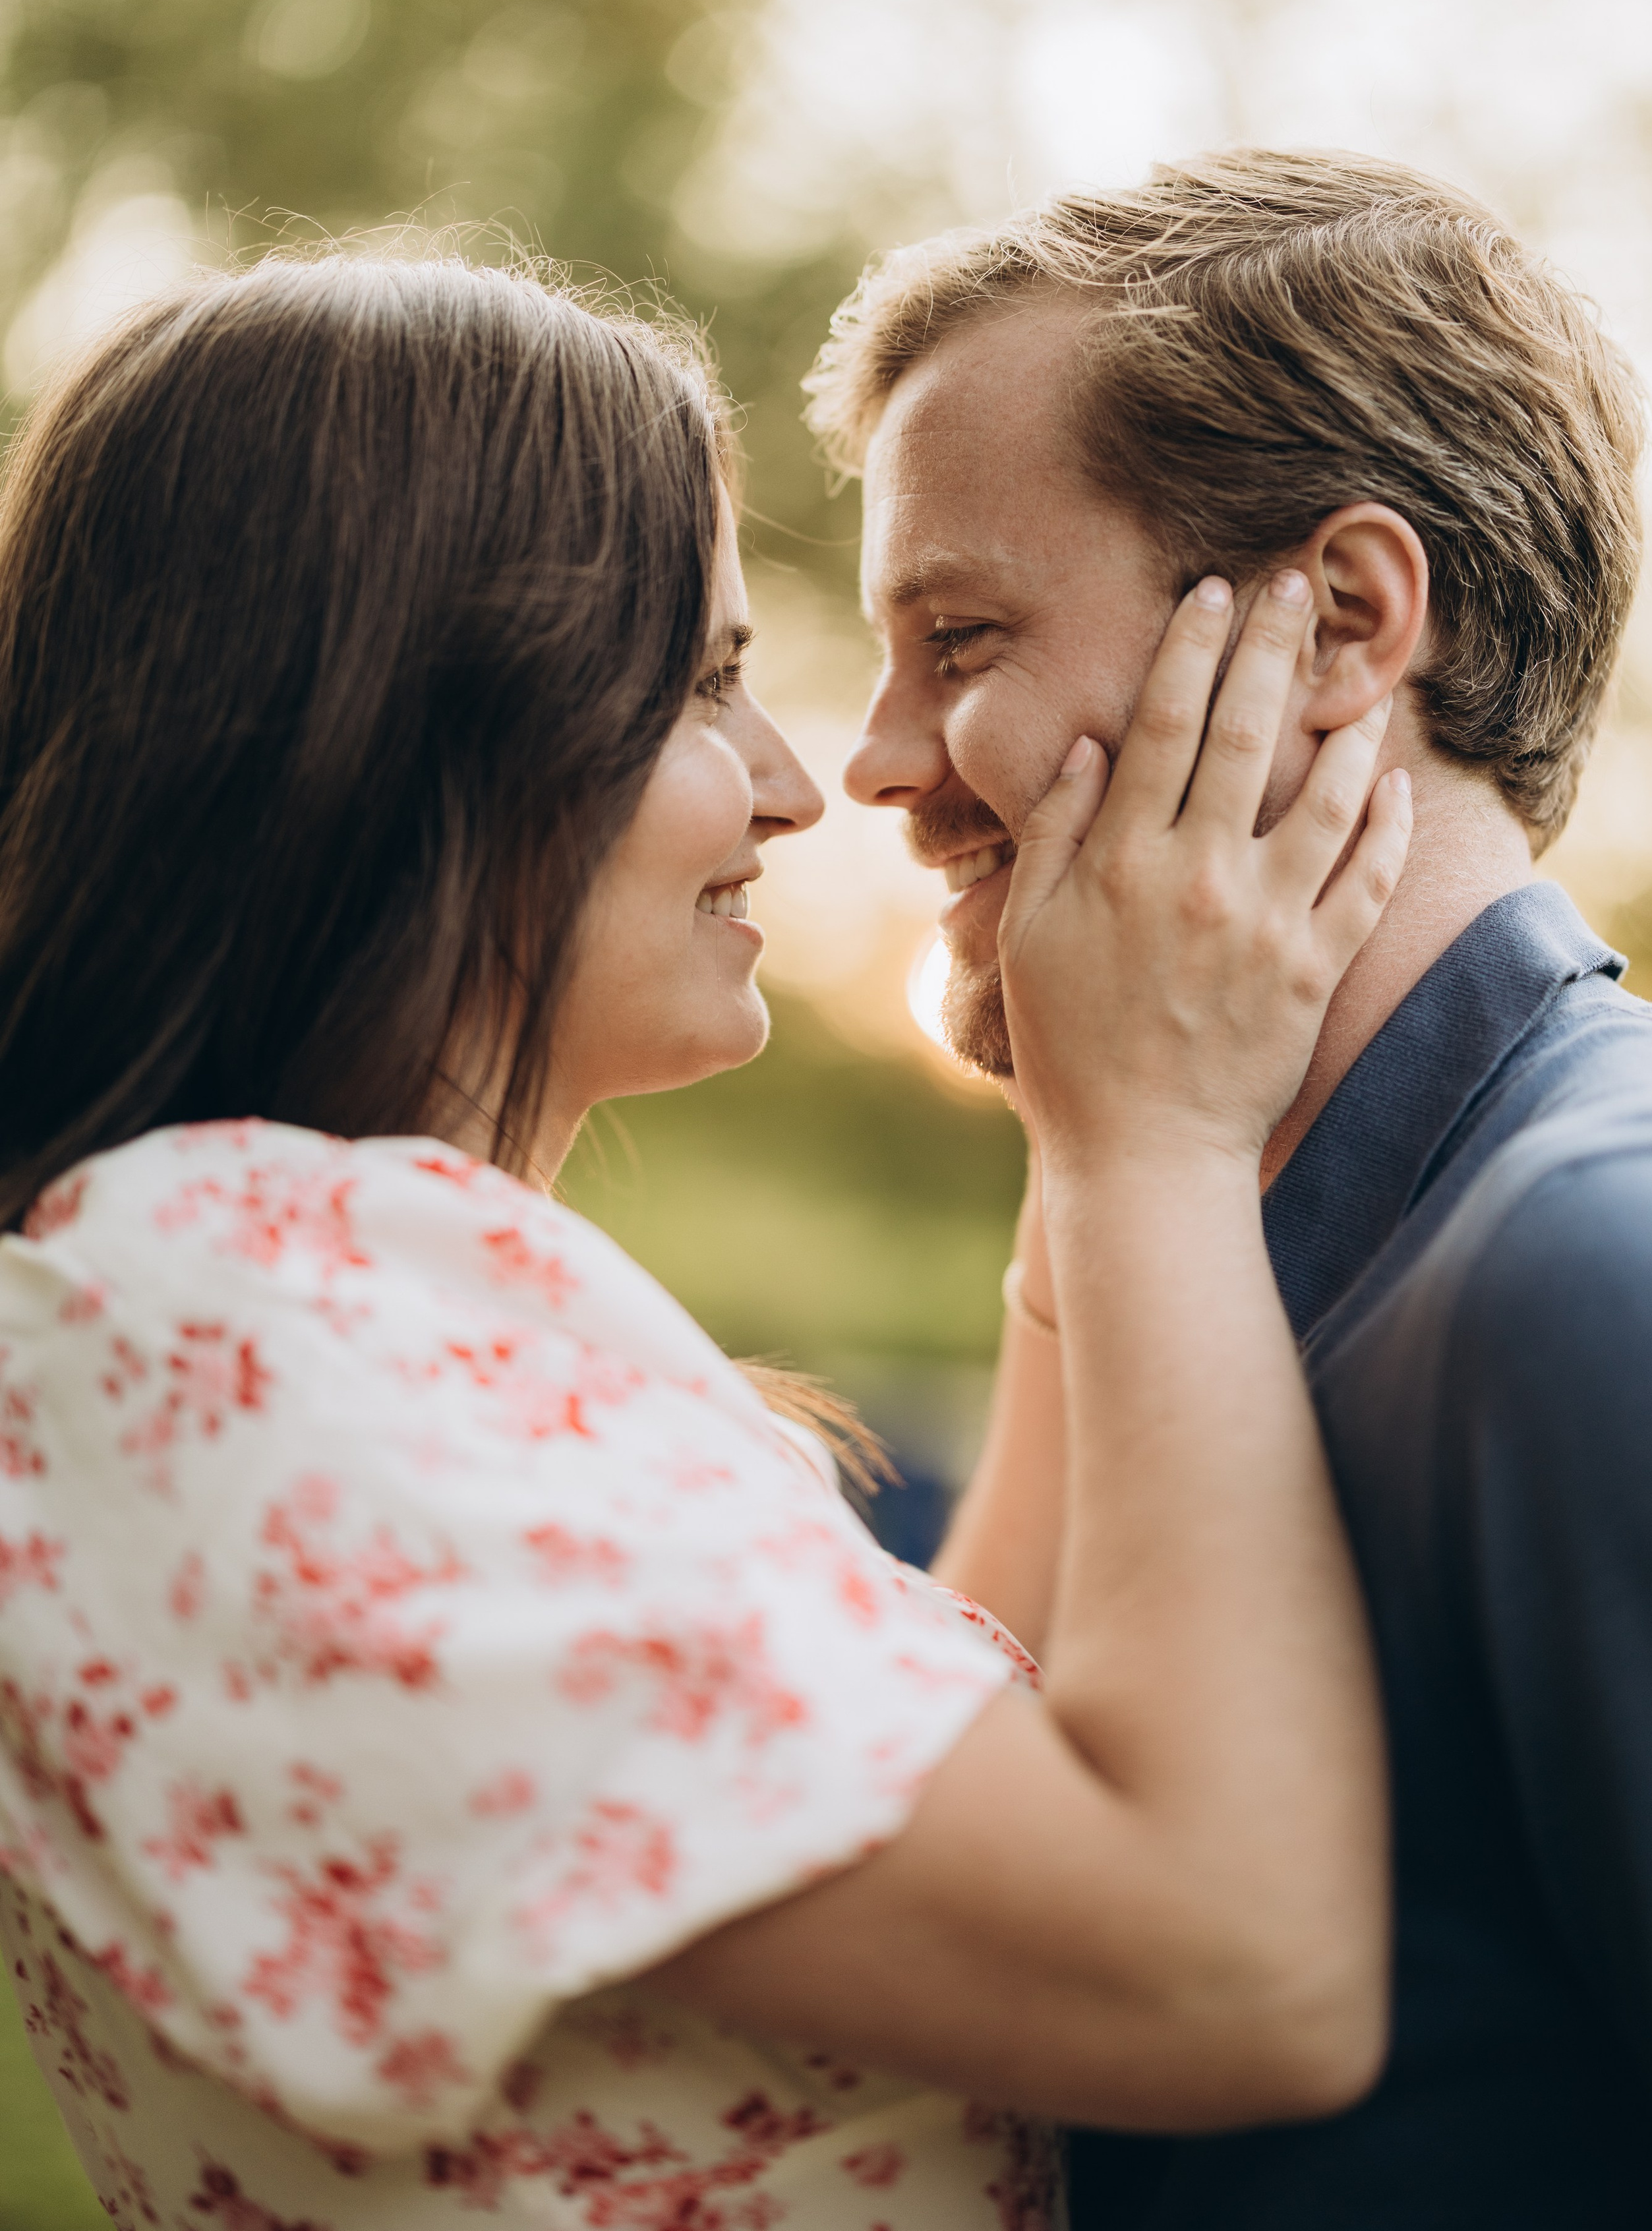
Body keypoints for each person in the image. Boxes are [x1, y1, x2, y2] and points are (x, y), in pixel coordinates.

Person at [0, 253, 1401, 2231]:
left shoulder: (320, 1293)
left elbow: (948, 1765)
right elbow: (1239, 1972)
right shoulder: (210, 1332)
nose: (795, 783)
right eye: (700, 684)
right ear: (412, 721)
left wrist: (1099, 1127)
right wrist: (1157, 1149)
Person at [809, 146, 1652, 2229]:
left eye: (961, 636)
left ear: (1342, 625)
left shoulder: (1599, 1279)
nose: (872, 761)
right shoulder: (1207, 1242)